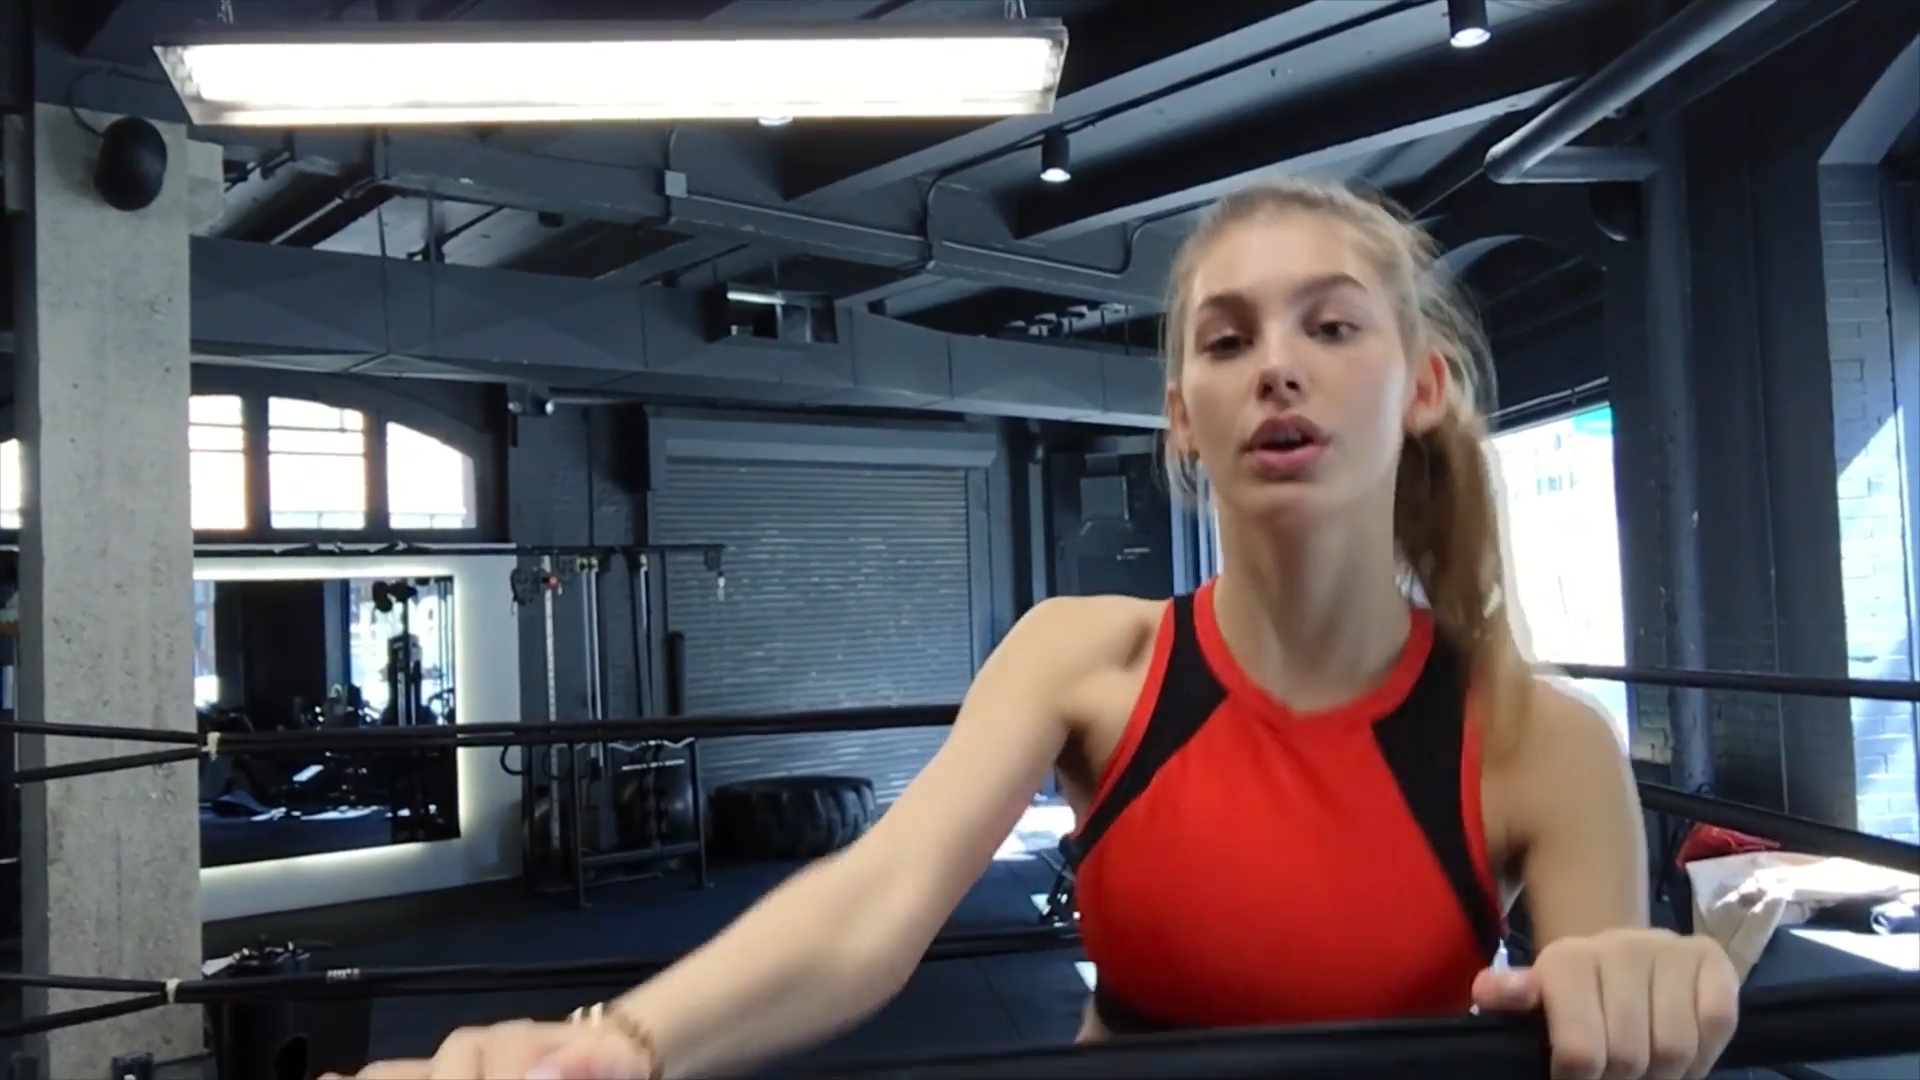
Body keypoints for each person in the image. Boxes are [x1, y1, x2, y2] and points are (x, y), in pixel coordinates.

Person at [335, 179, 1740, 1080]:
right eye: (1228, 340)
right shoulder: (1087, 657)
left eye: (1330, 328)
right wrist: (618, 1047)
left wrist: (1640, 979)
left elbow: (1601, 1011)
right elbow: (876, 902)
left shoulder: (1540, 739)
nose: (1278, 370)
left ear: (1422, 386)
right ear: (1181, 417)